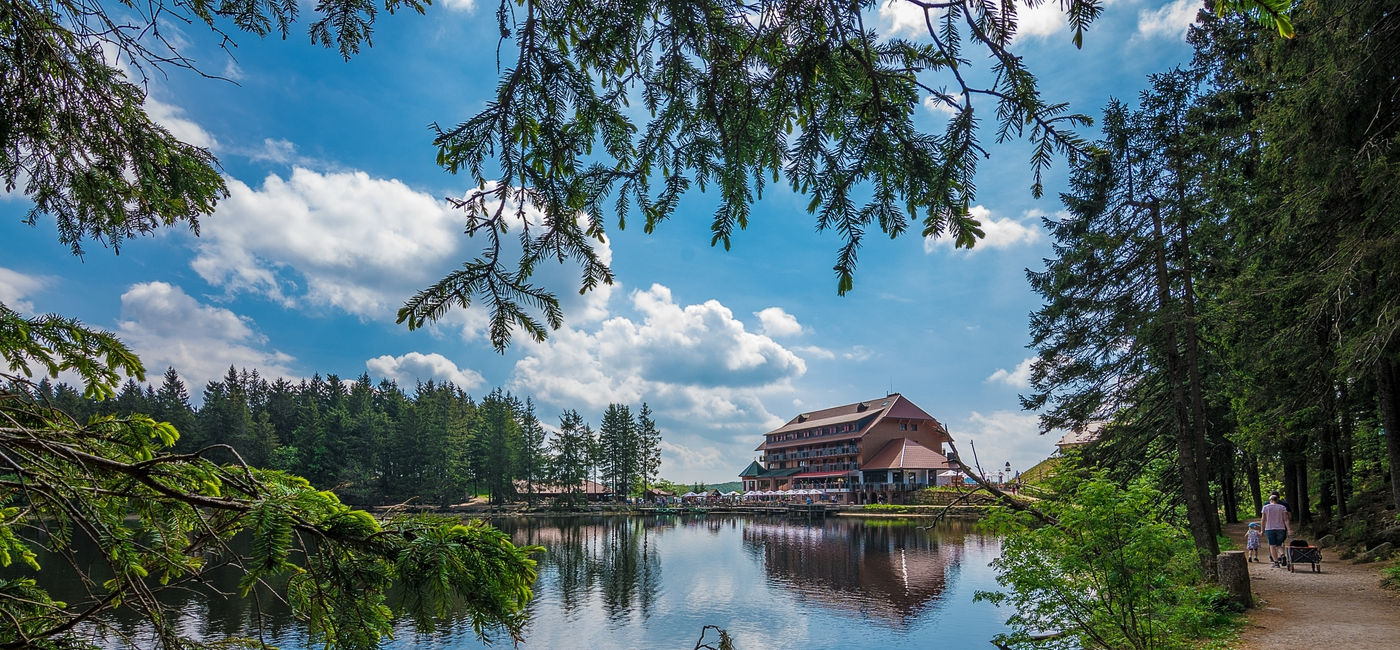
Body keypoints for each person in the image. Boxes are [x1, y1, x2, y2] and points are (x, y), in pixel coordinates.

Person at [1260, 493, 1291, 566]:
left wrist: (1262, 530)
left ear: (1270, 500)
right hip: (1281, 528)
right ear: (1277, 500)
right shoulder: (1282, 507)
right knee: (1279, 545)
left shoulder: (1265, 507)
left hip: (1269, 528)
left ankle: (1276, 562)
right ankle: (1282, 555)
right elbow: (1286, 519)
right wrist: (1289, 529)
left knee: (1272, 545)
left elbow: (1263, 520)